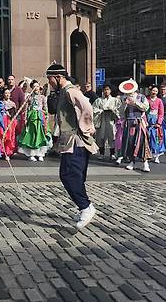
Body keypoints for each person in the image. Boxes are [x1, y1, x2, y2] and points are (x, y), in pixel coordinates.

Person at [46, 64, 98, 229]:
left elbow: (87, 107)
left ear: (58, 77)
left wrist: (86, 128)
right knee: (74, 175)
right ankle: (83, 206)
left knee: (69, 175)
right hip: (70, 141)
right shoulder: (63, 92)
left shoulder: (71, 91)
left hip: (76, 140)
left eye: (50, 79)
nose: (49, 82)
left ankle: (86, 207)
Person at [117, 79, 151, 172]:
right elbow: (121, 114)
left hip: (139, 122)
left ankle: (145, 163)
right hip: (129, 123)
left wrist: (135, 102)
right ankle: (131, 161)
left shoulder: (141, 97)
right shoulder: (124, 98)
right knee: (130, 143)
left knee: (142, 142)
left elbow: (146, 108)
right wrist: (124, 104)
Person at [18, 80, 51, 162]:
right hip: (31, 117)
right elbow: (26, 108)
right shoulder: (29, 97)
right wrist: (25, 118)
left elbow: (45, 108)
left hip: (40, 118)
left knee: (41, 135)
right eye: (34, 86)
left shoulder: (43, 97)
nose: (36, 88)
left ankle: (40, 154)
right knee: (32, 135)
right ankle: (31, 154)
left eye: (37, 86)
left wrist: (46, 116)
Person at [92, 84, 121, 160]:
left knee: (111, 136)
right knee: (101, 137)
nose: (106, 91)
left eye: (108, 89)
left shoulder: (115, 100)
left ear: (110, 90)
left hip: (111, 120)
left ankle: (112, 153)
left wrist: (113, 110)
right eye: (105, 89)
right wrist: (101, 111)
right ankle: (101, 153)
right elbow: (93, 109)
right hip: (102, 119)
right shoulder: (99, 100)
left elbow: (119, 109)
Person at [145, 85, 166, 166]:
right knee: (147, 139)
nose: (154, 92)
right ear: (150, 91)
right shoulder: (146, 99)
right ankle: (148, 154)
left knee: (156, 139)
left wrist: (158, 123)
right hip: (147, 120)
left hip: (156, 121)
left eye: (156, 91)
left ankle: (157, 156)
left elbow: (161, 113)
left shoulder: (159, 101)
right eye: (153, 90)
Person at [0, 89, 17, 160]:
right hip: (2, 120)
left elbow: (15, 114)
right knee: (1, 136)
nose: (7, 94)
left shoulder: (13, 103)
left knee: (9, 136)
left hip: (9, 121)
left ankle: (7, 152)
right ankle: (1, 151)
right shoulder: (0, 103)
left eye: (9, 93)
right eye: (6, 93)